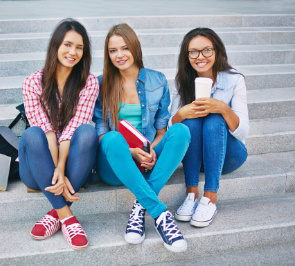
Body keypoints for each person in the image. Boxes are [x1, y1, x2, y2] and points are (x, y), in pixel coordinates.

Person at [92, 23, 191, 253]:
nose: (119, 55)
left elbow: (160, 132)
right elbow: (101, 135)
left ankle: (140, 205)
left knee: (181, 131)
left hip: (148, 159)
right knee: (113, 138)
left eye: (124, 48)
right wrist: (131, 152)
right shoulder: (101, 83)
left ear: (135, 48)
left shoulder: (157, 81)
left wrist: (152, 151)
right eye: (112, 50)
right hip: (116, 165)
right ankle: (159, 214)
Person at [19, 18, 99, 249]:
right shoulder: (33, 82)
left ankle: (53, 215)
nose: (73, 52)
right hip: (37, 170)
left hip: (71, 167)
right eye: (67, 44)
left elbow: (71, 131)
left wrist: (62, 169)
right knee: (33, 134)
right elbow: (48, 132)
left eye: (79, 47)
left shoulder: (89, 83)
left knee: (86, 132)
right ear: (55, 46)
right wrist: (56, 171)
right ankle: (66, 216)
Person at [169, 27, 249, 227]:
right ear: (187, 56)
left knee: (215, 119)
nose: (200, 56)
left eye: (207, 50)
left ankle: (210, 197)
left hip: (229, 155)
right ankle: (191, 195)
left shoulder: (234, 80)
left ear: (217, 51)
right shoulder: (183, 81)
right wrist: (182, 114)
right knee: (192, 118)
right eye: (193, 52)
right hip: (196, 157)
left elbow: (243, 132)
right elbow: (172, 129)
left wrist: (222, 108)